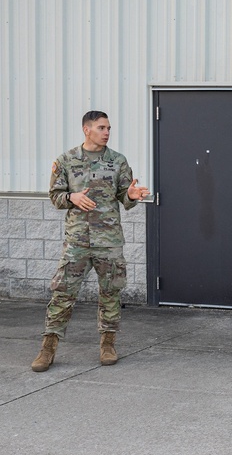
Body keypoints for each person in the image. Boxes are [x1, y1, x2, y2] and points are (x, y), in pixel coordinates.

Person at [31, 111, 149, 372]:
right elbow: (55, 196)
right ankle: (48, 348)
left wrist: (131, 194)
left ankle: (108, 344)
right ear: (87, 129)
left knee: (111, 293)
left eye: (109, 128)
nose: (107, 132)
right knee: (62, 293)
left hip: (109, 241)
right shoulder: (66, 160)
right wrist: (71, 198)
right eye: (101, 127)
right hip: (78, 241)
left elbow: (125, 195)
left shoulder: (118, 161)